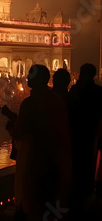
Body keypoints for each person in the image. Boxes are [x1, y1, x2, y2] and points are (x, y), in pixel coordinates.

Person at [6, 65, 71, 220]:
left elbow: (20, 132)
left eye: (30, 75)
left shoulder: (30, 103)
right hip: (55, 162)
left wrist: (10, 126)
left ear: (38, 80)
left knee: (32, 206)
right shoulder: (56, 101)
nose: (27, 77)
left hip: (34, 163)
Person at [68, 63, 102, 214]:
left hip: (77, 133)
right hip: (92, 134)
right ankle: (86, 194)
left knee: (77, 165)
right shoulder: (98, 91)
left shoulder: (77, 90)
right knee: (89, 163)